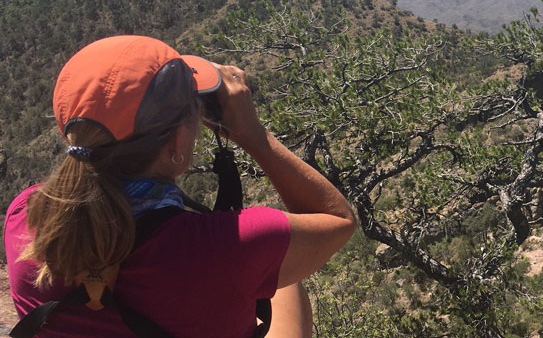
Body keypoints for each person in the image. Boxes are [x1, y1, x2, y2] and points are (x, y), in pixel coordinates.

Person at [3, 35, 357, 337]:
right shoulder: (232, 247)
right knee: (282, 280)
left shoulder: (26, 216)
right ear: (174, 145)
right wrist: (253, 135)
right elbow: (338, 220)